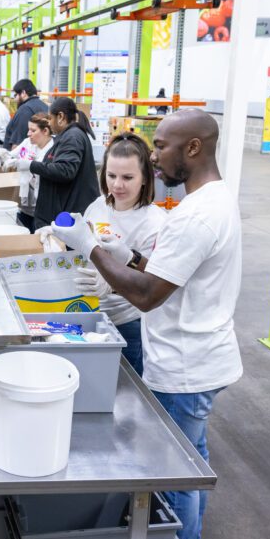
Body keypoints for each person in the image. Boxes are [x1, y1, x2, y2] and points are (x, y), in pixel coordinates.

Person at [51, 109, 242, 539]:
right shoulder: (215, 200)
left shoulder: (191, 217)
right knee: (192, 457)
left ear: (193, 148)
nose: (154, 157)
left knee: (173, 471)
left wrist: (91, 248)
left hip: (184, 362)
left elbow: (146, 294)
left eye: (160, 147)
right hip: (203, 351)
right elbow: (164, 270)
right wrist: (125, 254)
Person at [75, 133, 167, 376]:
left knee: (125, 391)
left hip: (128, 321)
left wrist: (113, 284)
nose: (117, 185)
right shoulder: (97, 206)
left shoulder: (155, 223)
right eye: (111, 175)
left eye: (127, 177)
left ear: (145, 178)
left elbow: (154, 283)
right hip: (89, 313)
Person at [10, 97, 99, 229]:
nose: (49, 124)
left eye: (50, 119)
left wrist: (31, 165)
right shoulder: (67, 136)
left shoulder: (72, 137)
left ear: (61, 117)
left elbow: (65, 170)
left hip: (70, 215)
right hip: (64, 212)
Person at [1, 113, 55, 232]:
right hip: (25, 202)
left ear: (45, 131)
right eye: (28, 129)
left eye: (33, 130)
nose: (28, 133)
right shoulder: (27, 143)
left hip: (42, 205)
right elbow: (11, 156)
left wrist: (26, 164)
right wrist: (5, 156)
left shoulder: (53, 149)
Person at [4, 79, 48, 150]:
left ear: (23, 93)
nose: (15, 100)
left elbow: (17, 143)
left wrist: (10, 160)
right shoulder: (44, 106)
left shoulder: (24, 109)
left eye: (15, 95)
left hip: (23, 157)